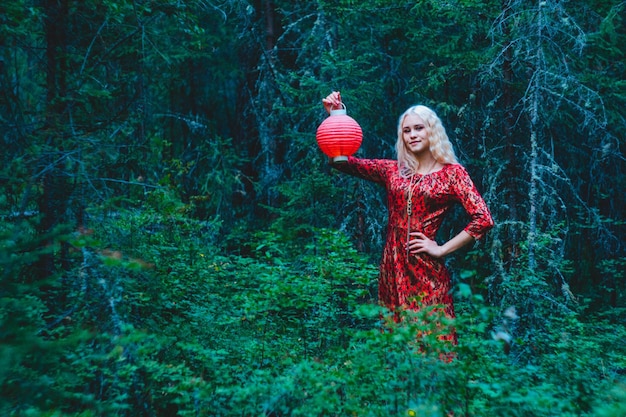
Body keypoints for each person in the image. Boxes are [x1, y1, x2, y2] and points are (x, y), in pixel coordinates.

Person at [322, 91, 494, 343]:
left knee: (432, 336)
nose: (412, 135)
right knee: (396, 338)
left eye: (418, 128)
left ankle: (439, 382)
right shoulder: (393, 171)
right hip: (392, 267)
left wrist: (442, 249)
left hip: (425, 268)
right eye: (406, 131)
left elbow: (483, 218)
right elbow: (343, 162)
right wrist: (336, 115)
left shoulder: (452, 173)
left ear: (431, 131)